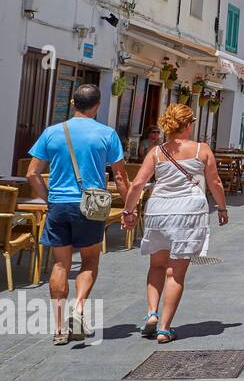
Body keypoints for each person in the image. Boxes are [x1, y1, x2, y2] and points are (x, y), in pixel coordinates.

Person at [25, 83, 130, 345]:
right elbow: (119, 176)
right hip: (90, 206)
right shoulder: (107, 134)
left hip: (59, 205)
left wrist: (49, 199)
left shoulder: (52, 132)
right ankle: (79, 309)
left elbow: (32, 173)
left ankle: (60, 328)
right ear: (97, 106)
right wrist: (130, 207)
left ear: (73, 103)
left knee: (60, 264)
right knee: (90, 261)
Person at [121, 104, 228, 344]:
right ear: (188, 125)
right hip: (188, 212)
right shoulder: (202, 150)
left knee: (157, 265)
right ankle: (164, 328)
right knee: (175, 273)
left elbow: (138, 183)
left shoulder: (156, 152)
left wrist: (128, 211)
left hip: (158, 211)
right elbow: (215, 182)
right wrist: (222, 207)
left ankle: (151, 313)